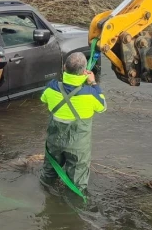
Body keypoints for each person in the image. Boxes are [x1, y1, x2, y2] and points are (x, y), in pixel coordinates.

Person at [39, 52, 106, 197]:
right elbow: (102, 107)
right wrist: (93, 83)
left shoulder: (51, 87)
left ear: (64, 67)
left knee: (48, 174)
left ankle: (46, 199)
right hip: (78, 147)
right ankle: (72, 211)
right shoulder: (90, 93)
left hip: (54, 141)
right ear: (84, 72)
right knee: (76, 185)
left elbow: (43, 99)